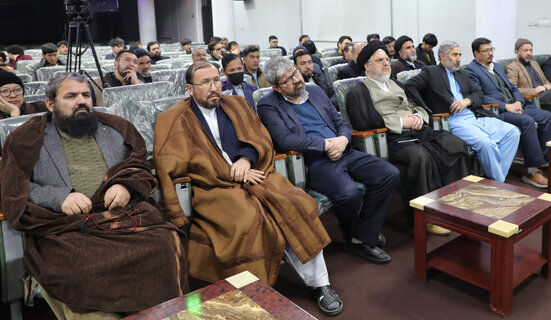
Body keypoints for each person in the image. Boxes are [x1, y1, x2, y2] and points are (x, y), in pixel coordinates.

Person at [154, 62, 343, 315]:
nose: (214, 87)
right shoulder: (173, 118)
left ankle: (320, 284)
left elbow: (261, 138)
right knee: (247, 218)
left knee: (294, 203)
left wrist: (245, 159)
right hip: (214, 187)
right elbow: (168, 161)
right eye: (206, 83)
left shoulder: (238, 104)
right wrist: (227, 172)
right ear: (189, 88)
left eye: (216, 80)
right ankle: (254, 295)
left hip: (257, 174)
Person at [0, 72, 188, 318]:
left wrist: (124, 186)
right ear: (50, 104)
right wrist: (60, 197)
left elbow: (138, 164)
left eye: (86, 95)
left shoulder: (116, 128)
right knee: (82, 264)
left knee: (164, 244)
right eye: (71, 96)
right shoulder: (25, 138)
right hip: (69, 227)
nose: (82, 101)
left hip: (120, 216)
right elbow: (15, 184)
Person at [257, 57, 400, 265]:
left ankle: (362, 233)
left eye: (295, 73)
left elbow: (340, 122)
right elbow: (284, 139)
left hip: (344, 151)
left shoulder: (314, 91)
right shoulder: (268, 105)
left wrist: (342, 140)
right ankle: (359, 239)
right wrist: (324, 145)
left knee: (389, 174)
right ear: (276, 88)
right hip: (315, 162)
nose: (297, 79)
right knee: (350, 193)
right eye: (288, 79)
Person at [346, 41, 477, 235]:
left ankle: (456, 203)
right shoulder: (359, 90)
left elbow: (418, 106)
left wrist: (417, 117)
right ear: (367, 65)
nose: (386, 64)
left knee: (455, 144)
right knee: (419, 157)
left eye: (387, 59)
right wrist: (401, 122)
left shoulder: (396, 83)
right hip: (391, 138)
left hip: (418, 131)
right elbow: (365, 121)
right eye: (379, 60)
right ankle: (428, 218)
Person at [405, 42, 520, 183]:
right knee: (486, 144)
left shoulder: (462, 73)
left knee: (513, 132)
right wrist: (425, 108)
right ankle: (499, 183)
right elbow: (410, 86)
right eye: (454, 55)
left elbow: (478, 94)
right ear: (442, 56)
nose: (459, 59)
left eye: (460, 54)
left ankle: (496, 181)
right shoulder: (431, 72)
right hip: (454, 121)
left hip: (474, 116)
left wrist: (467, 101)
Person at [465, 38, 551, 188]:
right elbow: (480, 96)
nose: (490, 53)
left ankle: (545, 162)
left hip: (516, 104)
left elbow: (513, 88)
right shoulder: (471, 70)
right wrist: (506, 106)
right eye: (486, 51)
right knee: (527, 121)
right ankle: (531, 171)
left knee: (546, 116)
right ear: (476, 53)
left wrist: (518, 101)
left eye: (492, 49)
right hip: (496, 111)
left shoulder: (497, 67)